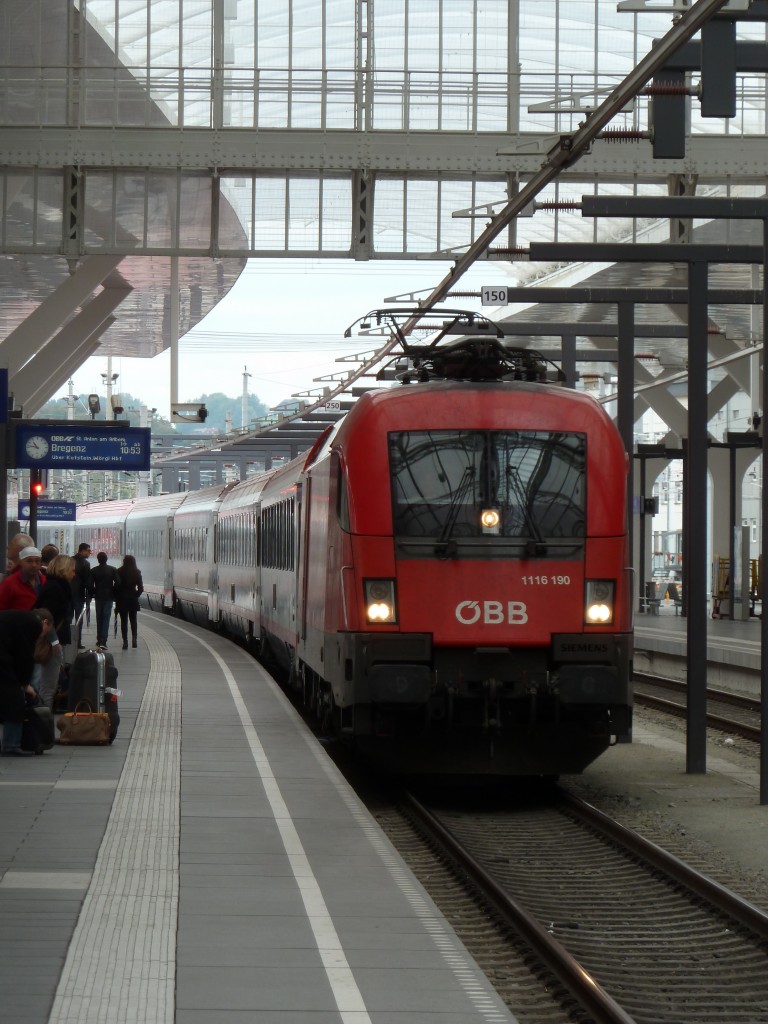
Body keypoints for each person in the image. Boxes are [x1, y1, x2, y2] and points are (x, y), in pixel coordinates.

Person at [0, 609, 46, 756]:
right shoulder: (33, 625)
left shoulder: (20, 618)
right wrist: (25, 684)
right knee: (15, 699)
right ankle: (11, 744)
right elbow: (25, 656)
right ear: (45, 623)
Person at [34, 555, 75, 705]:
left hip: (53, 640)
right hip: (51, 643)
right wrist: (54, 641)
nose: (74, 573)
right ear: (63, 570)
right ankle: (43, 721)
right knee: (47, 687)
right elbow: (46, 618)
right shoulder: (56, 589)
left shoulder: (55, 587)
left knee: (48, 685)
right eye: (72, 570)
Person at [0, 546, 44, 610]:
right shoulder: (9, 583)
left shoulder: (45, 581)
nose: (34, 565)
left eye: (37, 561)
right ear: (21, 562)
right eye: (29, 561)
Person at [115, 554, 143, 650]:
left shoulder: (119, 571)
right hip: (132, 599)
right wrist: (136, 595)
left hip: (122, 599)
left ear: (124, 561)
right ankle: (134, 640)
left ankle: (125, 642)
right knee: (133, 620)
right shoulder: (137, 572)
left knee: (124, 621)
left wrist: (117, 597)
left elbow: (116, 587)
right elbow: (140, 588)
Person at [90, 552, 118, 648]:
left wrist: (93, 592)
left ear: (98, 559)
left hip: (98, 596)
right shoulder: (112, 570)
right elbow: (118, 582)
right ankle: (103, 641)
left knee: (99, 617)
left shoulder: (93, 570)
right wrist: (113, 591)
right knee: (106, 617)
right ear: (107, 559)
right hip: (109, 596)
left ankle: (99, 639)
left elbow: (90, 585)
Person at [71, 542, 93, 649]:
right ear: (82, 551)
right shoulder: (85, 563)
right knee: (79, 619)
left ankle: (69, 641)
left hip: (68, 593)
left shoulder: (70, 560)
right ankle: (78, 642)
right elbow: (87, 581)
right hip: (79, 594)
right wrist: (90, 593)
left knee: (68, 618)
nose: (90, 552)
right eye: (88, 550)